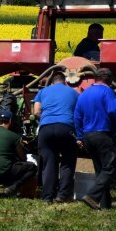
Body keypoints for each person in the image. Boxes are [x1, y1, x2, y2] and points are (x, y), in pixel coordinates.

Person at [73, 68, 116, 210]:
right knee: (110, 167)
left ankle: (105, 206)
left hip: (88, 136)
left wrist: (80, 136)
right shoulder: (107, 91)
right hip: (103, 134)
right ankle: (92, 196)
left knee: (100, 171)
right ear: (108, 79)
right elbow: (114, 110)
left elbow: (77, 117)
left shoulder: (83, 95)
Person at [33, 71, 78, 203]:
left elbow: (36, 112)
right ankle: (62, 195)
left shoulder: (43, 91)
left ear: (52, 82)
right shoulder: (73, 92)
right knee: (67, 161)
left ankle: (47, 197)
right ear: (65, 82)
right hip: (66, 128)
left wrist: (46, 119)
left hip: (46, 129)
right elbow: (79, 112)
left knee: (48, 164)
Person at [0, 109, 37, 198]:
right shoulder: (14, 136)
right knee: (32, 167)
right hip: (2, 174)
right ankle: (13, 188)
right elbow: (23, 158)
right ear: (10, 121)